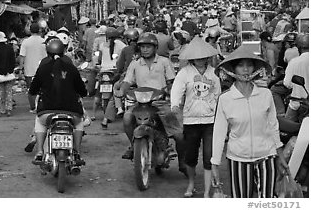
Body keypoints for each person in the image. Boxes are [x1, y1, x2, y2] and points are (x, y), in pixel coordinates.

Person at [211, 45, 289, 198]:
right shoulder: (225, 99)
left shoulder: (265, 94)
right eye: (241, 65)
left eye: (249, 65)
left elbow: (273, 126)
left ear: (255, 69)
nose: (245, 69)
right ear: (233, 70)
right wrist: (215, 164)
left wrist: (280, 156)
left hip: (267, 155)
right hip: (238, 158)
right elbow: (219, 133)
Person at [119, 33, 182, 164]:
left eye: (148, 47)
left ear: (155, 48)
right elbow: (127, 81)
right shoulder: (135, 63)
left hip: (160, 102)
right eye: (142, 47)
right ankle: (133, 144)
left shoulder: (164, 62)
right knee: (127, 118)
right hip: (140, 103)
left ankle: (180, 158)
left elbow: (171, 81)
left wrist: (171, 92)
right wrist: (121, 91)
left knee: (178, 133)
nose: (145, 49)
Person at [171, 36, 221, 198]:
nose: (200, 60)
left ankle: (207, 192)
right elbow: (177, 90)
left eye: (203, 57)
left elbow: (218, 95)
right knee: (190, 157)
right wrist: (175, 105)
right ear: (192, 58)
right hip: (190, 120)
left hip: (210, 121)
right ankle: (191, 183)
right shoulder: (184, 73)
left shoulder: (214, 74)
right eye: (197, 57)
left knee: (209, 157)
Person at [29, 39, 88, 164]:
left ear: (47, 52)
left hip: (47, 111)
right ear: (64, 51)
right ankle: (76, 152)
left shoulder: (42, 68)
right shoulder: (72, 69)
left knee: (39, 121)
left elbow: (33, 90)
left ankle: (39, 151)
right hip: (72, 112)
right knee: (79, 123)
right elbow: (82, 91)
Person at [95, 27, 126, 128]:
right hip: (114, 71)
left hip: (103, 70)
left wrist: (100, 64)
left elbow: (99, 59)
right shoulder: (121, 45)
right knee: (116, 91)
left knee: (99, 91)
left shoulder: (102, 44)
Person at [18, 23, 48, 113]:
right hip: (43, 69)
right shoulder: (44, 41)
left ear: (30, 31)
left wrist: (20, 69)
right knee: (43, 88)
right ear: (39, 30)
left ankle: (33, 107)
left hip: (29, 69)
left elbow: (22, 56)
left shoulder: (25, 42)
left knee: (31, 89)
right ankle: (43, 106)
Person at [282, 33, 309, 122]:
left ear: (299, 48)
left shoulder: (294, 62)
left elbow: (287, 83)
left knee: (286, 129)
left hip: (297, 103)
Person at [0, 31, 16, 117]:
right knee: (8, 92)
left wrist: (0, 71)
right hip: (9, 74)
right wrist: (9, 71)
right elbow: (13, 61)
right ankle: (8, 110)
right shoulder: (9, 48)